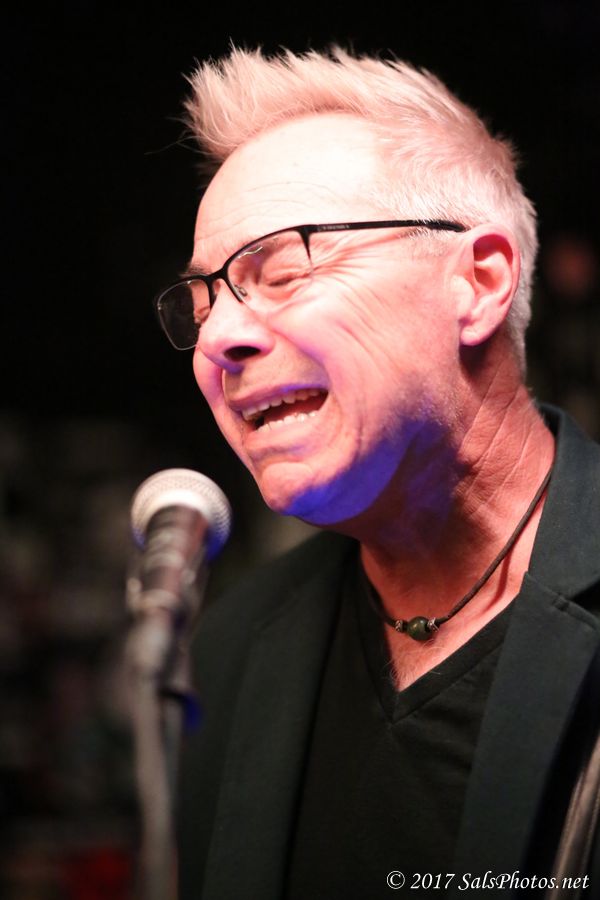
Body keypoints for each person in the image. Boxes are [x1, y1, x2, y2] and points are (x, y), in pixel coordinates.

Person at [154, 47, 600, 898]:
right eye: (204, 302)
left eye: (283, 270)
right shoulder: (228, 652)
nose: (218, 338)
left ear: (479, 282)